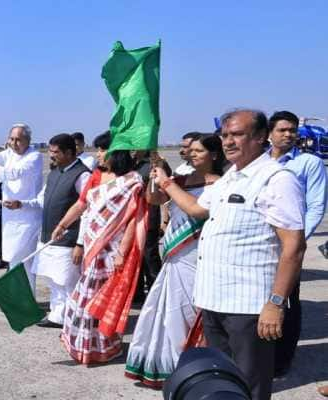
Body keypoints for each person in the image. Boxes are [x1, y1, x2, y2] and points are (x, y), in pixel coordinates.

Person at [152, 109, 306, 400]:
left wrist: (275, 303)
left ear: (260, 137)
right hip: (214, 300)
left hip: (249, 306)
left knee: (251, 385)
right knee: (223, 382)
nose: (229, 141)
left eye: (238, 134)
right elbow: (197, 209)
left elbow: (294, 247)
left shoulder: (276, 179)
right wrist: (165, 181)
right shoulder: (228, 179)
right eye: (225, 135)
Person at [125, 134, 225, 388]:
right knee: (167, 311)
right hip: (173, 257)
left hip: (196, 255)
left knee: (189, 311)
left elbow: (196, 209)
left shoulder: (221, 184)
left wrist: (167, 182)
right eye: (189, 151)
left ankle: (190, 364)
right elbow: (154, 200)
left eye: (198, 151)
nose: (191, 154)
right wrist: (154, 178)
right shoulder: (180, 180)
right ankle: (163, 364)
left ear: (214, 155)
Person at [51, 131, 147, 364]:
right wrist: (63, 224)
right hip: (92, 247)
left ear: (117, 153)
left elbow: (134, 221)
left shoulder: (133, 181)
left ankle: (104, 346)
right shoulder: (96, 176)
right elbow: (82, 204)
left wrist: (122, 253)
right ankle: (83, 345)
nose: (98, 154)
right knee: (81, 301)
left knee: (101, 301)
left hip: (112, 251)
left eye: (103, 150)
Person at [4, 134, 91, 328]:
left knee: (68, 282)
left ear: (69, 152)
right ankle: (57, 315)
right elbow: (41, 200)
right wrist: (21, 204)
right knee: (54, 280)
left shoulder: (83, 175)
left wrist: (80, 243)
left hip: (68, 240)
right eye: (50, 152)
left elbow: (87, 210)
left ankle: (74, 320)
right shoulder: (54, 173)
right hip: (49, 238)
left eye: (55, 152)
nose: (51, 156)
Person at [267, 110, 327, 376]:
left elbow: (315, 206)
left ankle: (282, 359)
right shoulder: (259, 163)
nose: (289, 134)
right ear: (269, 133)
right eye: (282, 130)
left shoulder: (308, 163)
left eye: (292, 130)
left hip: (288, 245)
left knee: (287, 301)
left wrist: (297, 240)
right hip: (259, 245)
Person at [0, 123, 43, 290]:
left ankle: (27, 301)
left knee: (23, 261)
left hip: (27, 216)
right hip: (10, 217)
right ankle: (18, 299)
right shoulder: (9, 153)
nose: (14, 143)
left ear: (28, 140)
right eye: (11, 139)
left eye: (18, 139)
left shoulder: (34, 156)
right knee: (13, 259)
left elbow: (13, 173)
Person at [132, 150, 171, 302]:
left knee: (150, 255)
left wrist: (160, 164)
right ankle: (137, 291)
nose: (133, 149)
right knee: (135, 255)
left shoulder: (153, 163)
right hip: (133, 216)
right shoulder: (131, 163)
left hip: (150, 214)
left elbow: (165, 182)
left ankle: (157, 291)